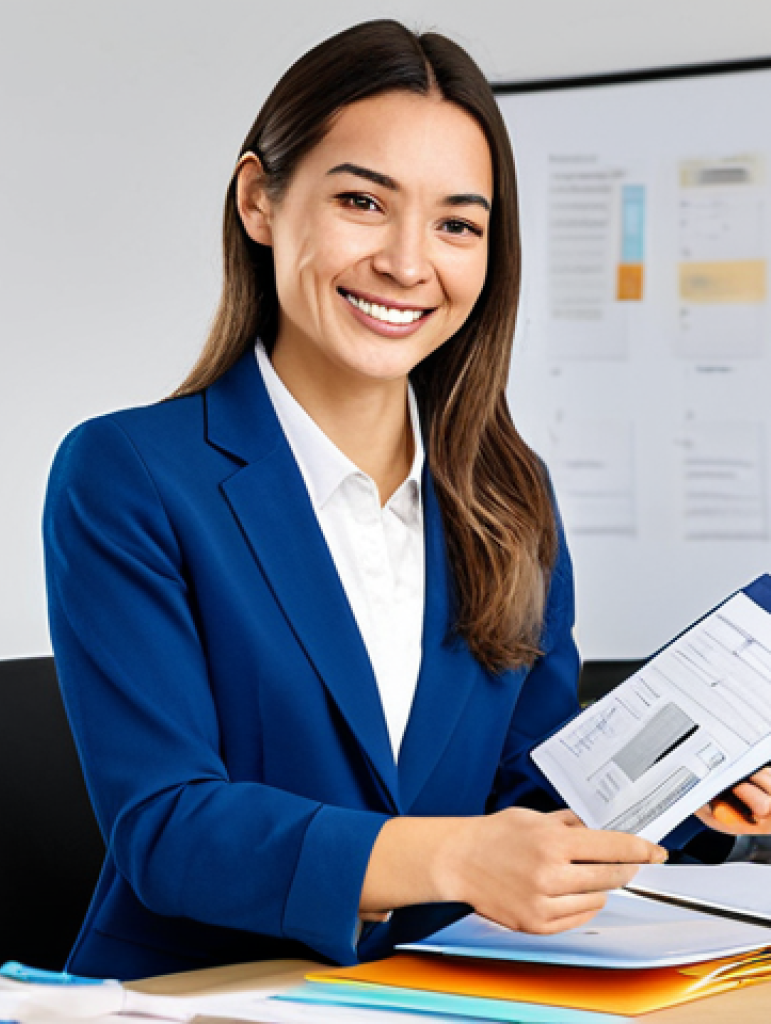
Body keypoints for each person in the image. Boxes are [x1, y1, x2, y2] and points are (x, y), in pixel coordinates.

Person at [43, 19, 771, 981]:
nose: (406, 261)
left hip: (446, 991)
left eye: (457, 224)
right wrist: (459, 855)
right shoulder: (129, 472)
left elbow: (527, 800)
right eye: (361, 201)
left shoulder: (509, 497)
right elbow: (169, 826)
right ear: (260, 199)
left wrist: (690, 797)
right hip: (200, 996)